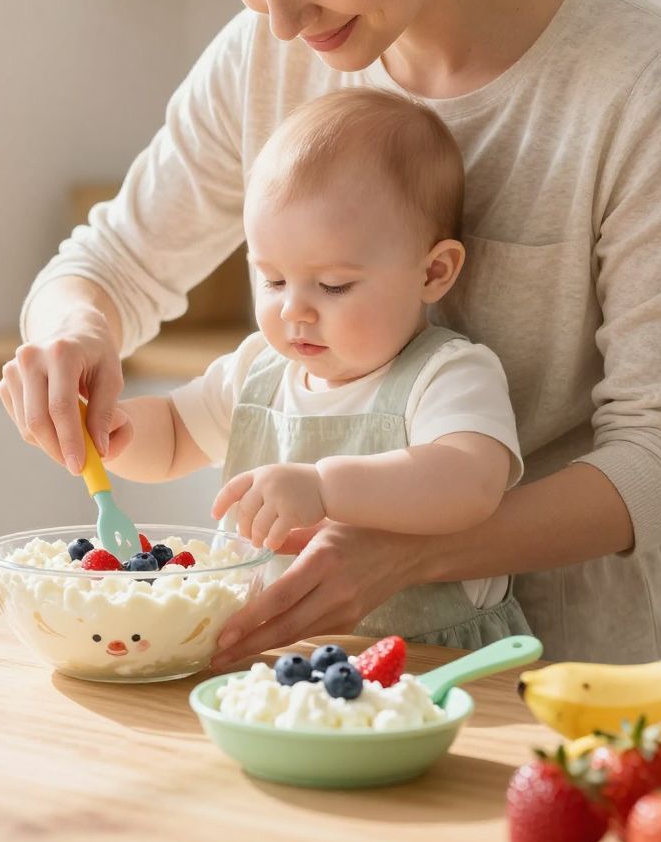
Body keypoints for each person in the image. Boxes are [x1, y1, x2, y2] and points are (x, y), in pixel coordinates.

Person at [0, 0, 661, 665]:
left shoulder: (641, 81)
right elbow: (107, 264)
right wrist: (71, 334)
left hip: (564, 674)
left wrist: (418, 550)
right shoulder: (262, 56)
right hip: (304, 677)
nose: (281, 22)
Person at [103, 87, 530, 649]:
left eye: (333, 285)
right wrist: (113, 430)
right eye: (273, 279)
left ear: (433, 273)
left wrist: (326, 486)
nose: (293, 310)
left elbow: (469, 483)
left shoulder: (448, 374)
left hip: (432, 672)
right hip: (283, 663)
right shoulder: (258, 369)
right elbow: (176, 435)